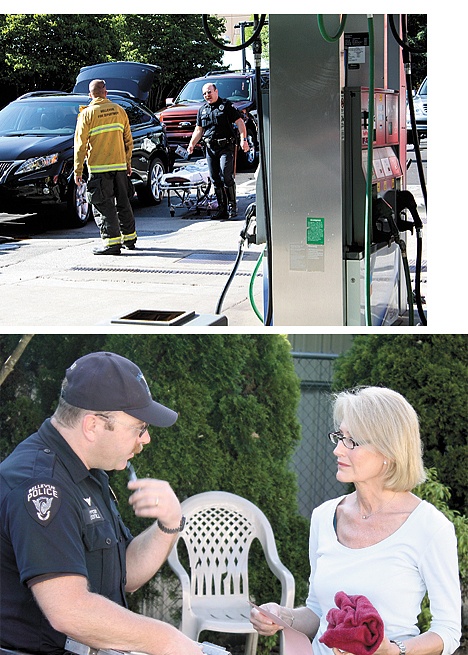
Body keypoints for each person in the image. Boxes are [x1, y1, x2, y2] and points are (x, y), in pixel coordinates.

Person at [0, 351, 202, 655]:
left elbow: (124, 576)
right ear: (93, 425)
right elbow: (69, 609)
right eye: (140, 427)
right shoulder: (42, 486)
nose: (145, 439)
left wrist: (169, 524)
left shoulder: (88, 472)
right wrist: (168, 641)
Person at [250, 387, 461, 655]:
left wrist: (392, 651)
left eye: (353, 441)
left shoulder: (430, 527)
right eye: (339, 436)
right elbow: (318, 612)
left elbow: (448, 631)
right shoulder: (324, 516)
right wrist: (282, 616)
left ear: (390, 452)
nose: (338, 449)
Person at [74, 79, 137, 255]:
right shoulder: (119, 110)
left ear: (90, 95)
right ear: (105, 92)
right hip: (120, 166)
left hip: (99, 168)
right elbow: (128, 141)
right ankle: (129, 239)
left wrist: (78, 170)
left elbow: (80, 146)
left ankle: (111, 244)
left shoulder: (87, 114)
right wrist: (128, 163)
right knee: (123, 202)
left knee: (103, 205)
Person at [187, 82, 250, 220]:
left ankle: (232, 207)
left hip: (225, 147)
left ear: (216, 91)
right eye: (204, 94)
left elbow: (240, 122)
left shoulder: (226, 106)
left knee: (226, 175)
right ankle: (222, 208)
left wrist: (243, 140)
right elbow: (199, 130)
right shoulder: (202, 110)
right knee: (215, 179)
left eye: (209, 92)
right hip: (210, 148)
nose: (207, 95)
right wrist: (192, 144)